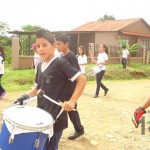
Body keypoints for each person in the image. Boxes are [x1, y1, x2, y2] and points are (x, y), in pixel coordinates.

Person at [14, 29, 87, 150]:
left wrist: (72, 101)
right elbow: (37, 88)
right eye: (38, 46)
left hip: (56, 118)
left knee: (51, 147)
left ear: (53, 46)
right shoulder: (39, 66)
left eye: (44, 45)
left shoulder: (60, 63)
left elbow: (82, 79)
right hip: (41, 115)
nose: (40, 49)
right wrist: (24, 97)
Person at [56, 33, 85, 140]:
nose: (57, 46)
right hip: (63, 88)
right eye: (56, 44)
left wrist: (66, 76)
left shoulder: (71, 56)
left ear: (66, 44)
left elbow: (77, 72)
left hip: (70, 88)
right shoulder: (62, 56)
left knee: (71, 109)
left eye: (59, 44)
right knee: (64, 108)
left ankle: (79, 129)